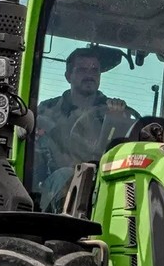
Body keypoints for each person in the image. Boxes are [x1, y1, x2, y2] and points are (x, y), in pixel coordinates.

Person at [34, 46, 132, 211]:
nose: (89, 75)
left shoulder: (115, 112)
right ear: (68, 76)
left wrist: (119, 121)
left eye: (95, 70)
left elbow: (125, 153)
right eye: (82, 70)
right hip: (54, 187)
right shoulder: (46, 110)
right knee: (65, 175)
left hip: (101, 183)